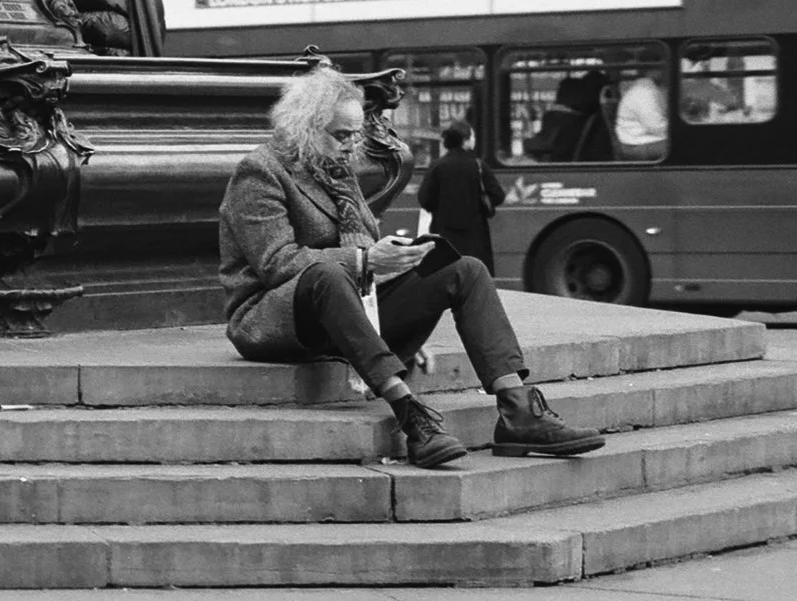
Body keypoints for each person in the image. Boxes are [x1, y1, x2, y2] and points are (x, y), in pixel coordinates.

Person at [220, 66, 601, 469]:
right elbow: (277, 264)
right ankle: (411, 417)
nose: (354, 145)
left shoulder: (336, 170)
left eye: (358, 132)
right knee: (327, 274)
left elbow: (364, 251)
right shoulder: (260, 172)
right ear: (305, 128)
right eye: (342, 134)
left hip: (344, 309)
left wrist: (397, 265)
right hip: (274, 318)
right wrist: (367, 260)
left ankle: (519, 412)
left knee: (463, 267)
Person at [417, 122, 507, 274]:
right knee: (473, 275)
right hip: (475, 235)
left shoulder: (437, 166)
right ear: (465, 141)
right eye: (473, 137)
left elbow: (425, 198)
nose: (474, 140)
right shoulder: (478, 165)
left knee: (446, 275)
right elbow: (498, 195)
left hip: (444, 234)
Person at [614, 72, 669, 162]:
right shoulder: (644, 92)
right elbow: (656, 126)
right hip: (636, 145)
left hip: (644, 139)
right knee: (686, 146)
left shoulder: (650, 88)